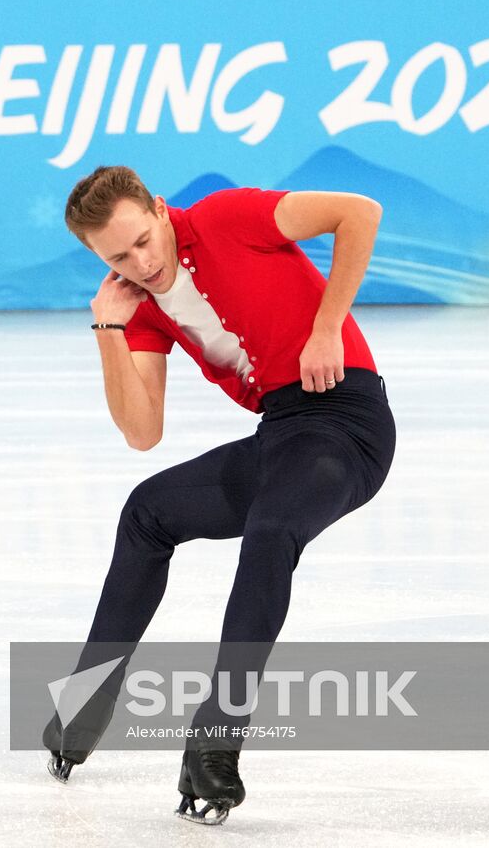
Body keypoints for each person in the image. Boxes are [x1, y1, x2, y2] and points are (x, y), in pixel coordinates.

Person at [42, 165, 396, 825]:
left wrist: (328, 328)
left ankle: (216, 742)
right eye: (117, 257)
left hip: (347, 426)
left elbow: (360, 212)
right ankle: (86, 699)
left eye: (144, 239)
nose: (141, 263)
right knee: (148, 512)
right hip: (281, 436)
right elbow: (143, 433)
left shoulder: (226, 218)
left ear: (158, 207)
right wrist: (110, 330)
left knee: (270, 533)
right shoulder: (141, 304)